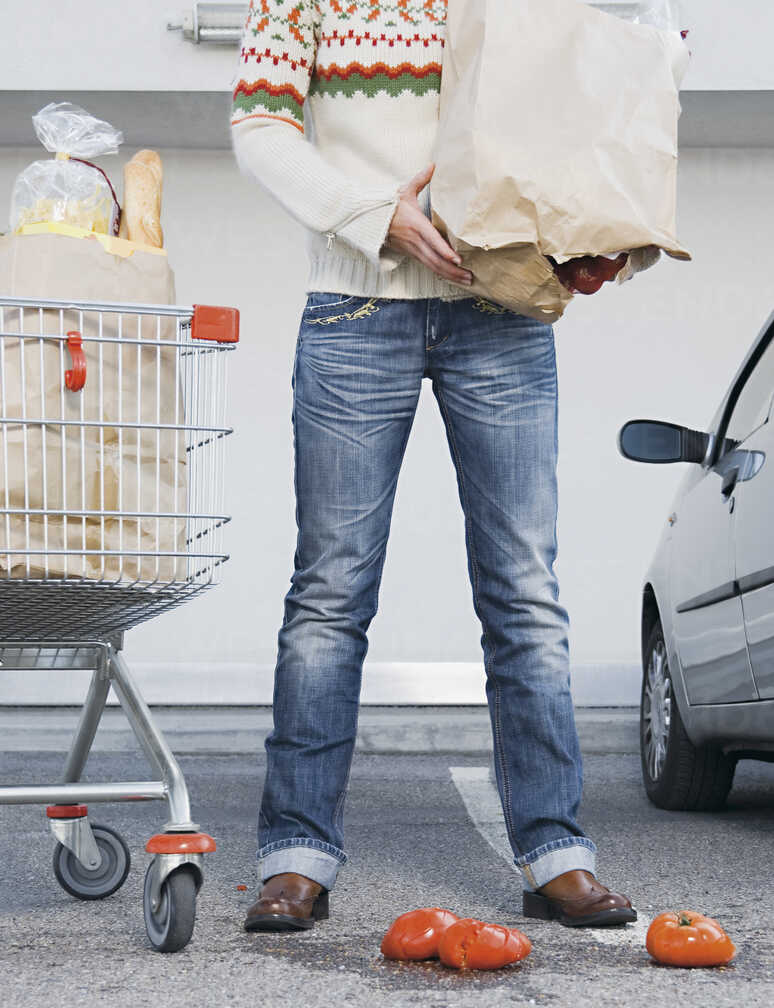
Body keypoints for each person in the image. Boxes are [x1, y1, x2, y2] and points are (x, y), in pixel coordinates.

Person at [230, 0, 636, 933]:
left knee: (523, 589)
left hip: (503, 314)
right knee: (330, 590)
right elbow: (261, 124)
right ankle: (296, 855)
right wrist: (376, 216)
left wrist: (594, 237)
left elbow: (572, 124)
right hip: (352, 309)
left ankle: (556, 853)